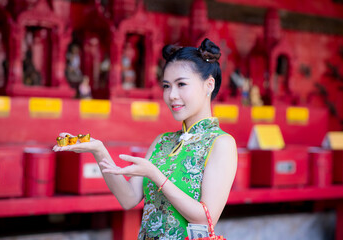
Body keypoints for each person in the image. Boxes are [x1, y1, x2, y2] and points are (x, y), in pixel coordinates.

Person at [53, 38, 237, 239]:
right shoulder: (162, 141)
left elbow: (205, 217)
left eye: (181, 84)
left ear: (209, 85)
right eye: (166, 86)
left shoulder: (221, 143)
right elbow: (128, 199)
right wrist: (99, 151)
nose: (172, 95)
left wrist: (155, 175)